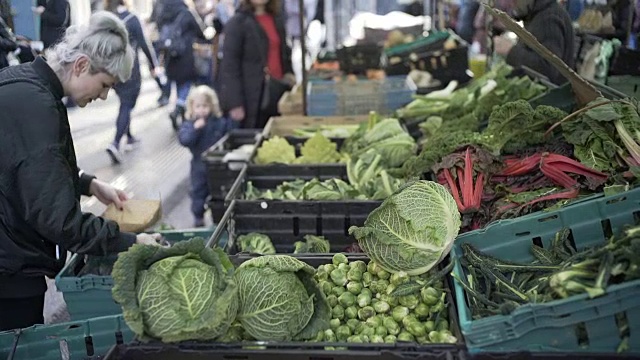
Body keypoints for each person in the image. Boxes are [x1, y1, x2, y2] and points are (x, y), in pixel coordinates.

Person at [0, 11, 162, 332]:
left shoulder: (21, 82)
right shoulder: (38, 107)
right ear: (81, 65)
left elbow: (25, 167)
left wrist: (88, 184)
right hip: (10, 272)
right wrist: (131, 241)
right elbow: (60, 222)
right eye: (105, 85)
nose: (103, 95)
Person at [220, 0, 295, 129]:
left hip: (278, 90)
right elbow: (229, 65)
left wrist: (289, 74)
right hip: (253, 97)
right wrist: (235, 103)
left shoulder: (276, 18)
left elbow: (284, 52)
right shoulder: (238, 23)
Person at [104, 0, 162, 164]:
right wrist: (153, 65)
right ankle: (115, 142)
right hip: (129, 68)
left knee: (124, 101)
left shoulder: (107, 18)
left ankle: (128, 136)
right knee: (127, 105)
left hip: (110, 69)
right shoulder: (132, 18)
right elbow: (144, 43)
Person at [178, 85, 233, 227]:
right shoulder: (190, 124)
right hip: (199, 164)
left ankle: (219, 216)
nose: (202, 110)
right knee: (197, 191)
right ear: (192, 107)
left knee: (218, 190)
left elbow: (226, 133)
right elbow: (184, 140)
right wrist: (196, 129)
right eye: (198, 106)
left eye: (205, 106)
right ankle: (198, 216)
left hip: (216, 165)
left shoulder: (217, 121)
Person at [493, 0, 575, 85]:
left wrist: (511, 50)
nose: (511, 3)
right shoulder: (536, 14)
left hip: (553, 95)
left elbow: (547, 69)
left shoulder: (548, 18)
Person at [154, 0, 207, 130]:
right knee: (187, 84)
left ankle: (182, 115)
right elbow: (200, 32)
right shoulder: (186, 12)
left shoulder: (162, 12)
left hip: (170, 57)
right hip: (186, 56)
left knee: (179, 85)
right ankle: (178, 109)